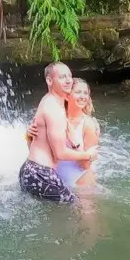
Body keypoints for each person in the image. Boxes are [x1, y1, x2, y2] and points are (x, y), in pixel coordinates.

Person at [18, 62, 98, 205]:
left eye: (69, 76)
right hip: (41, 174)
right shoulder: (55, 109)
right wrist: (89, 155)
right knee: (76, 206)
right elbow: (59, 153)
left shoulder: (49, 101)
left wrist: (29, 135)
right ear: (50, 81)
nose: (68, 80)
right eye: (62, 77)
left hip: (31, 171)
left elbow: (39, 143)